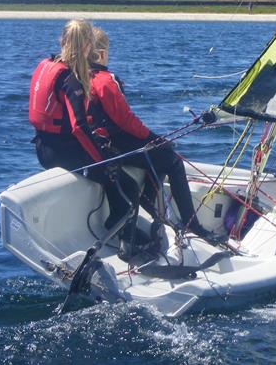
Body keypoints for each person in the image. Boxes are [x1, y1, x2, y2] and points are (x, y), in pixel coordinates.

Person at [87, 26, 216, 240]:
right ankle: (192, 224)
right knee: (172, 160)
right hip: (115, 143)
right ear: (101, 53)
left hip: (97, 143)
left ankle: (147, 201)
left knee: (158, 153)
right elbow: (125, 120)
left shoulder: (79, 76)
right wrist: (154, 139)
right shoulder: (106, 80)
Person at [28, 19, 139, 242]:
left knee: (111, 160)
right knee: (129, 185)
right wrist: (103, 162)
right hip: (61, 153)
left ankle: (117, 225)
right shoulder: (71, 80)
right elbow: (79, 127)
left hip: (42, 147)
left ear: (62, 41)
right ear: (88, 46)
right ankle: (128, 244)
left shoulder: (45, 65)